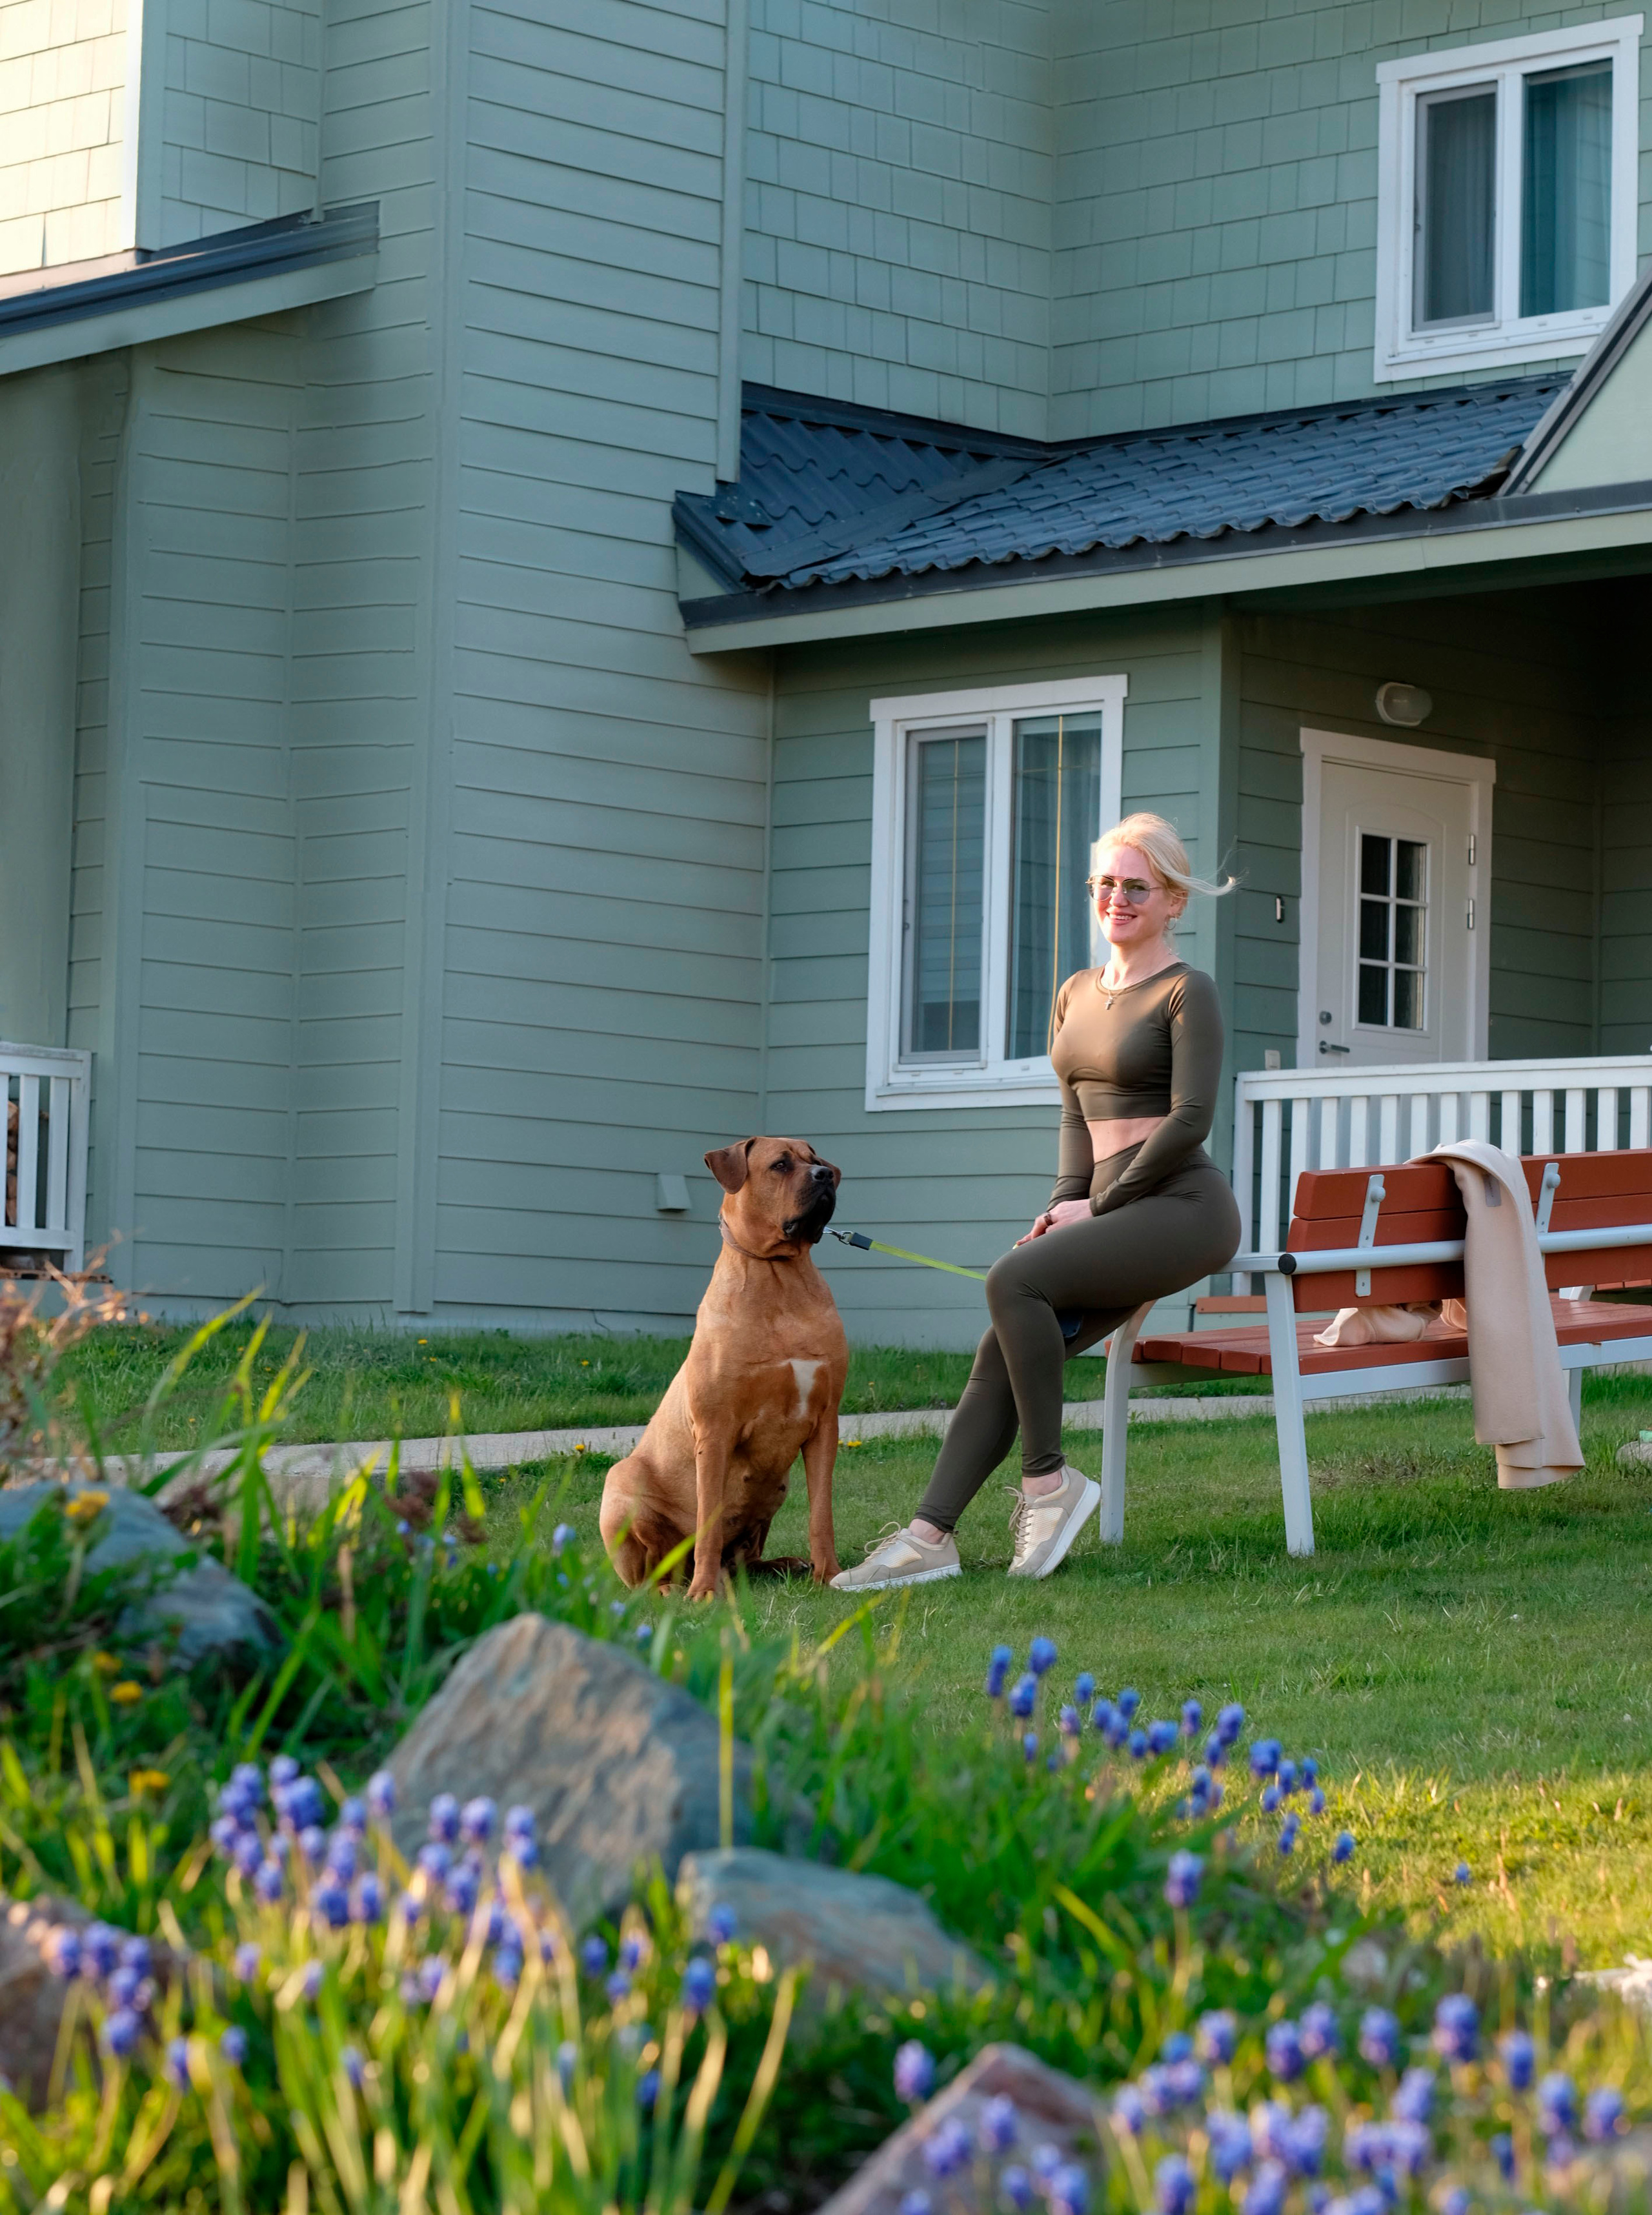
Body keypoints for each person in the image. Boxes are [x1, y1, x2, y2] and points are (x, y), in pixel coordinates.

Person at [832, 811, 1242, 1591]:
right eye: (1104, 884)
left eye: (1135, 887)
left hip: (1181, 1209)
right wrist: (1064, 1203)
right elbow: (1074, 1112)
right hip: (1108, 1209)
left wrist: (1106, 1202)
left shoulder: (1189, 991)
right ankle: (929, 1537)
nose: (1116, 900)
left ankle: (1048, 1484)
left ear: (1173, 902)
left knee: (1008, 1282)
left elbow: (1190, 1119)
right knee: (1005, 1344)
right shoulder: (1076, 993)